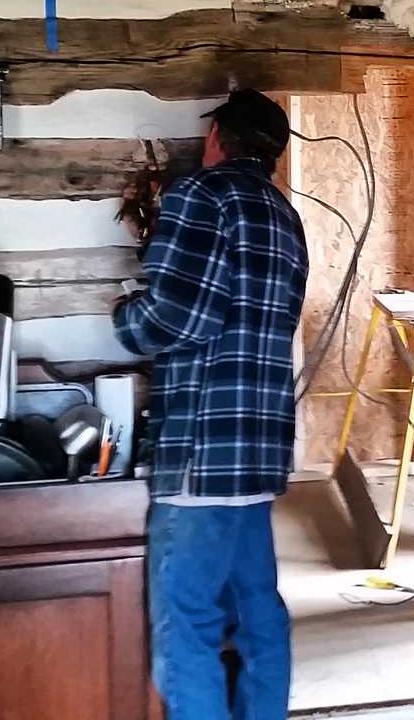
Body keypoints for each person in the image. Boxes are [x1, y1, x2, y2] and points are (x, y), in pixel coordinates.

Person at [113, 88, 308, 720]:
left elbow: (175, 317)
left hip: (202, 454)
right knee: (259, 618)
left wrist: (125, 316)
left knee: (187, 630)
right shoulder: (284, 214)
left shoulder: (202, 195)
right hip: (257, 452)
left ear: (217, 137)